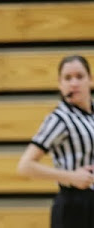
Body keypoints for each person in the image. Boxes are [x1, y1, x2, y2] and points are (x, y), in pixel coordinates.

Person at [18, 55, 94, 228]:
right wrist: (72, 177)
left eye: (79, 76)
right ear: (60, 84)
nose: (74, 83)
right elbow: (25, 166)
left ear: (90, 80)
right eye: (68, 78)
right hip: (74, 206)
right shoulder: (60, 119)